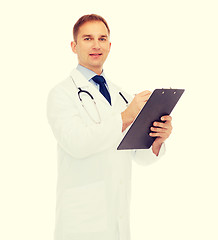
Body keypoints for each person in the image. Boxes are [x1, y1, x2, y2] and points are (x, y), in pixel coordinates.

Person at [47, 14, 172, 240]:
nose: (96, 45)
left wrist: (157, 139)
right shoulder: (61, 94)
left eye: (102, 39)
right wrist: (126, 116)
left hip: (118, 219)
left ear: (110, 45)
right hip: (81, 222)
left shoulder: (122, 94)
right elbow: (77, 144)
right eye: (88, 38)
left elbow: (139, 156)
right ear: (74, 46)